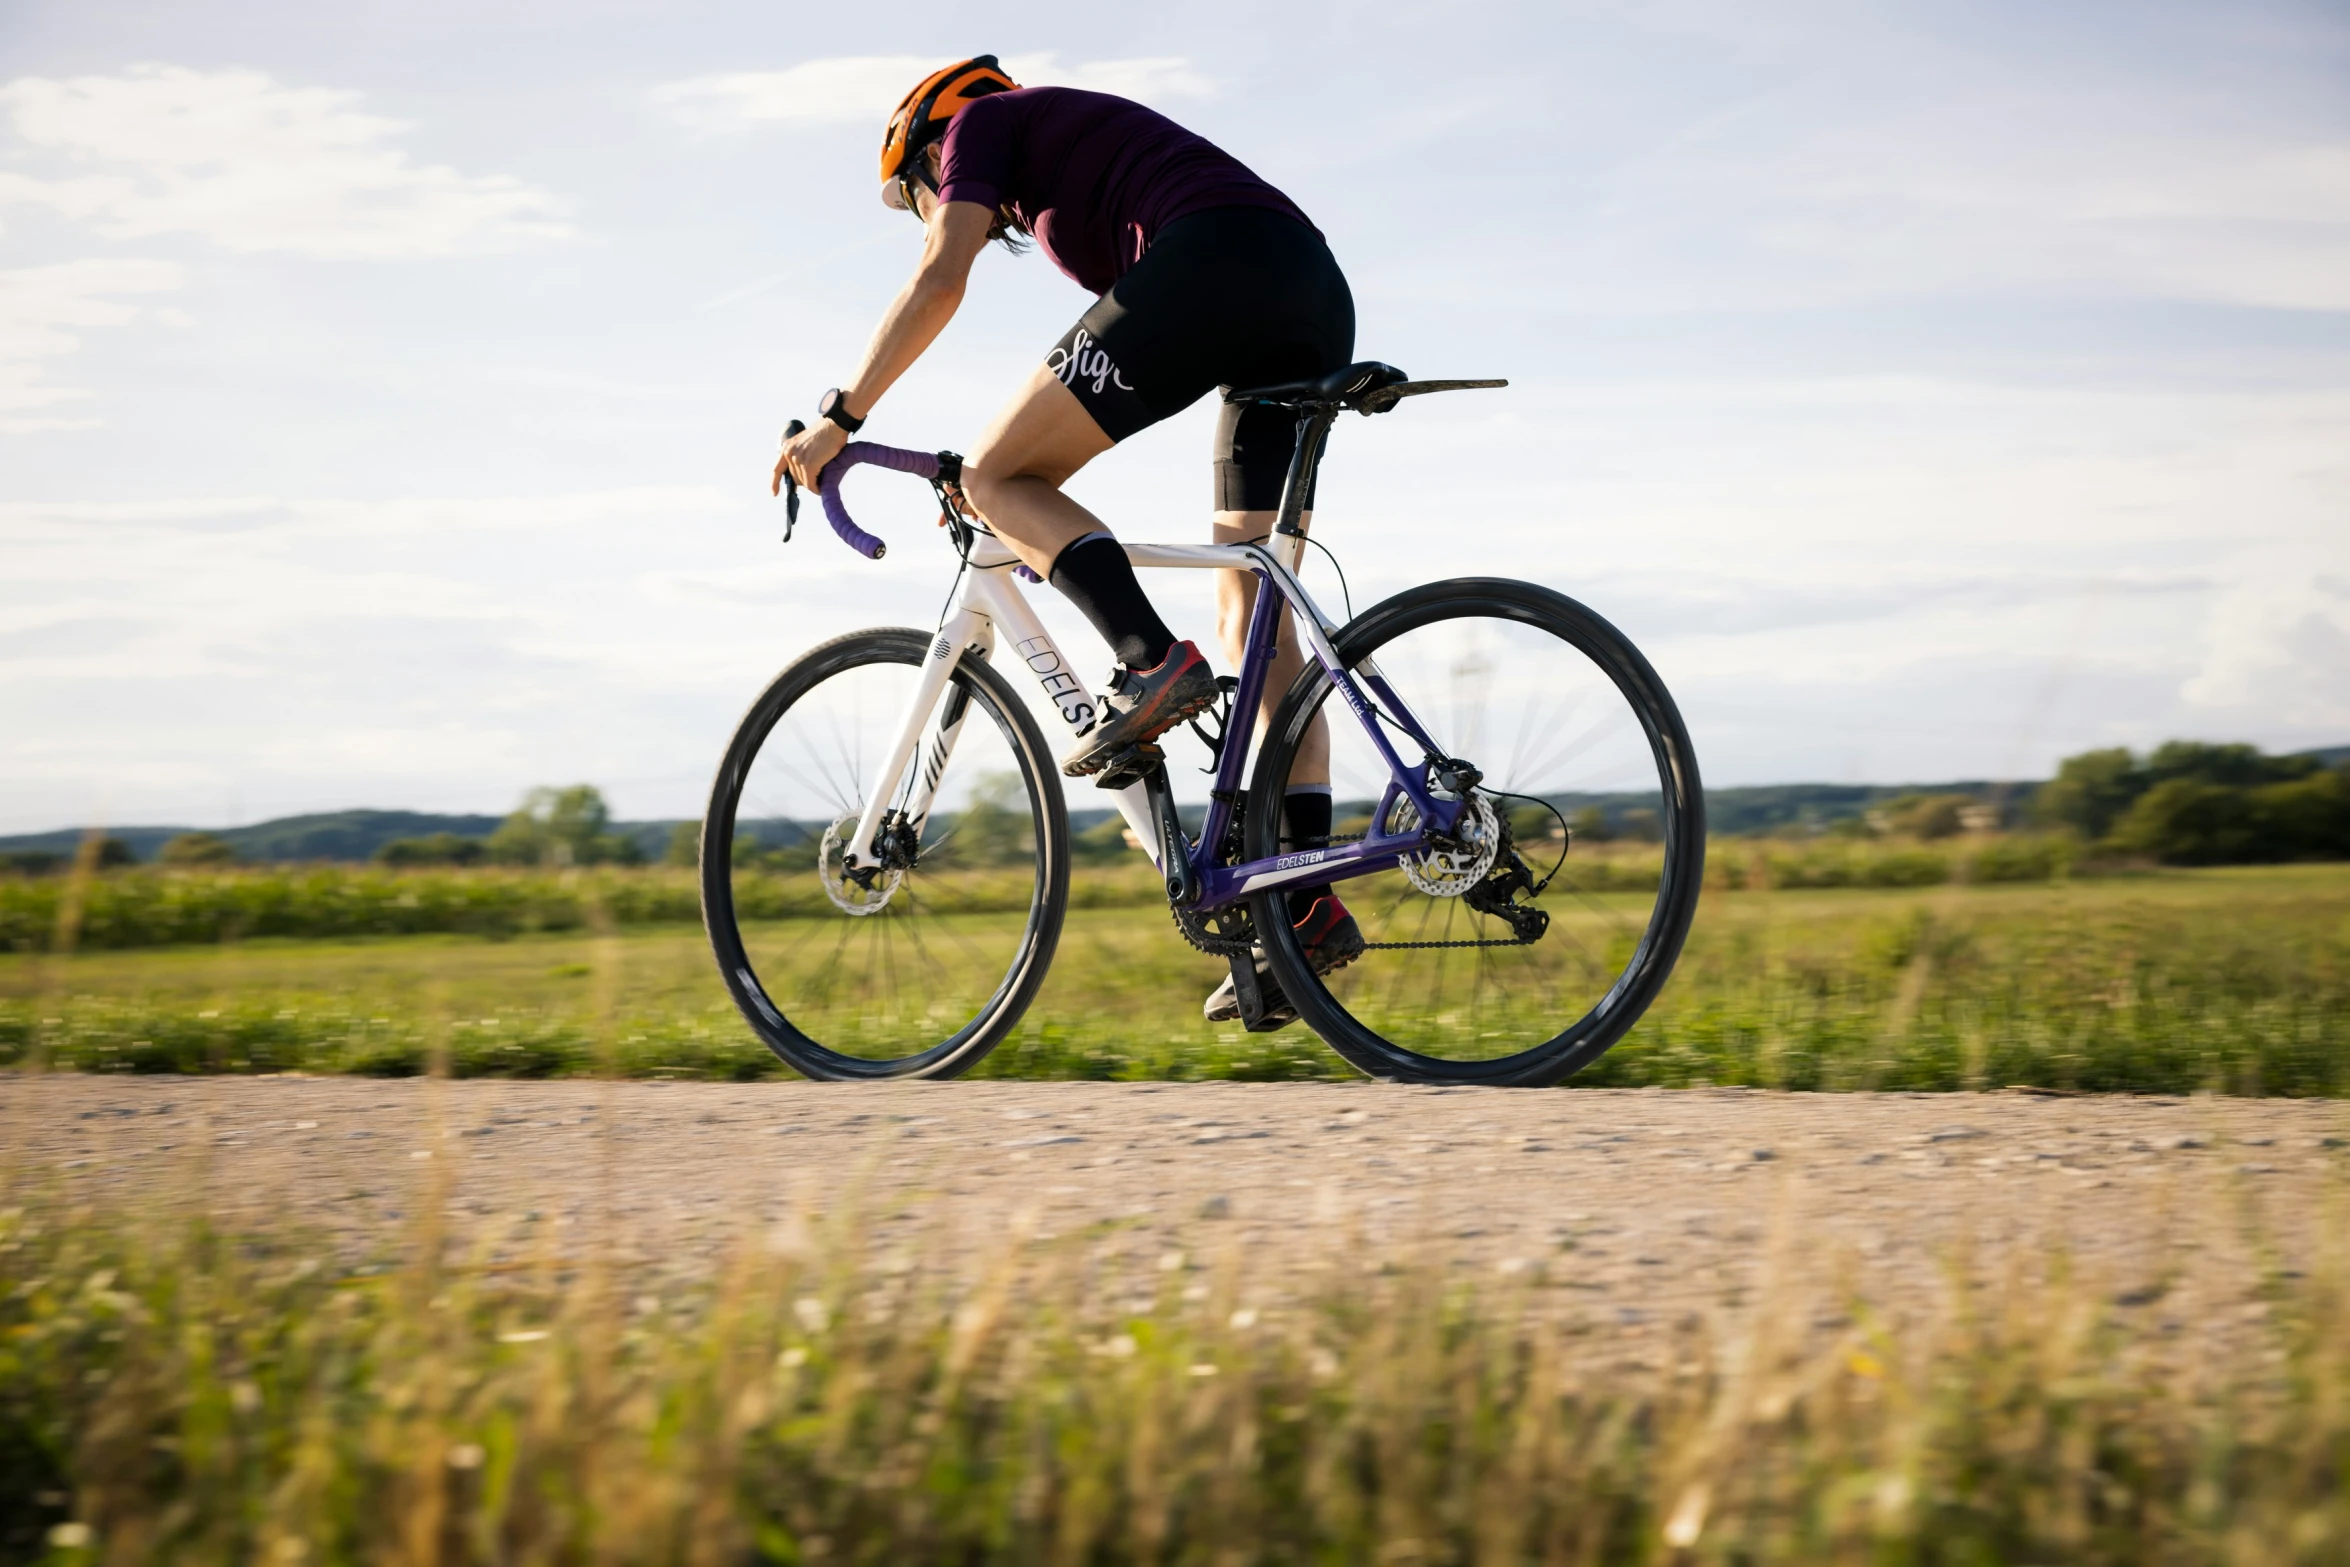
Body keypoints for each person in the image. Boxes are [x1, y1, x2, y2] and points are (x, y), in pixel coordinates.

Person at [772, 55, 1362, 1020]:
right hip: (1303, 286)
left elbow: (939, 279)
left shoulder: (982, 128)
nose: (929, 208)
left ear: (933, 145)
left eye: (916, 193)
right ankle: (1301, 905)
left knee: (997, 475)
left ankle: (1147, 661)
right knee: (1253, 610)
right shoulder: (1064, 158)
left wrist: (840, 416)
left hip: (1215, 262)